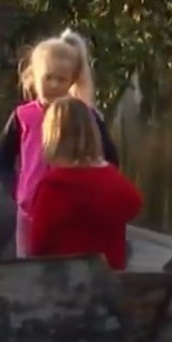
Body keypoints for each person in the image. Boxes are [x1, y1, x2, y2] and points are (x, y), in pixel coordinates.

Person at [0, 29, 119, 256]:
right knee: (29, 262)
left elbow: (110, 160)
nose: (53, 84)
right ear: (34, 77)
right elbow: (2, 159)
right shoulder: (23, 116)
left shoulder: (85, 116)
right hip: (30, 206)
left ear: (72, 80)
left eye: (61, 79)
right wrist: (15, 188)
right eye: (48, 77)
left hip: (72, 209)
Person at [29, 97, 143, 269]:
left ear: (51, 136)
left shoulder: (55, 186)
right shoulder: (112, 178)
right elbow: (134, 204)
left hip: (66, 278)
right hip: (109, 276)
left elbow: (38, 244)